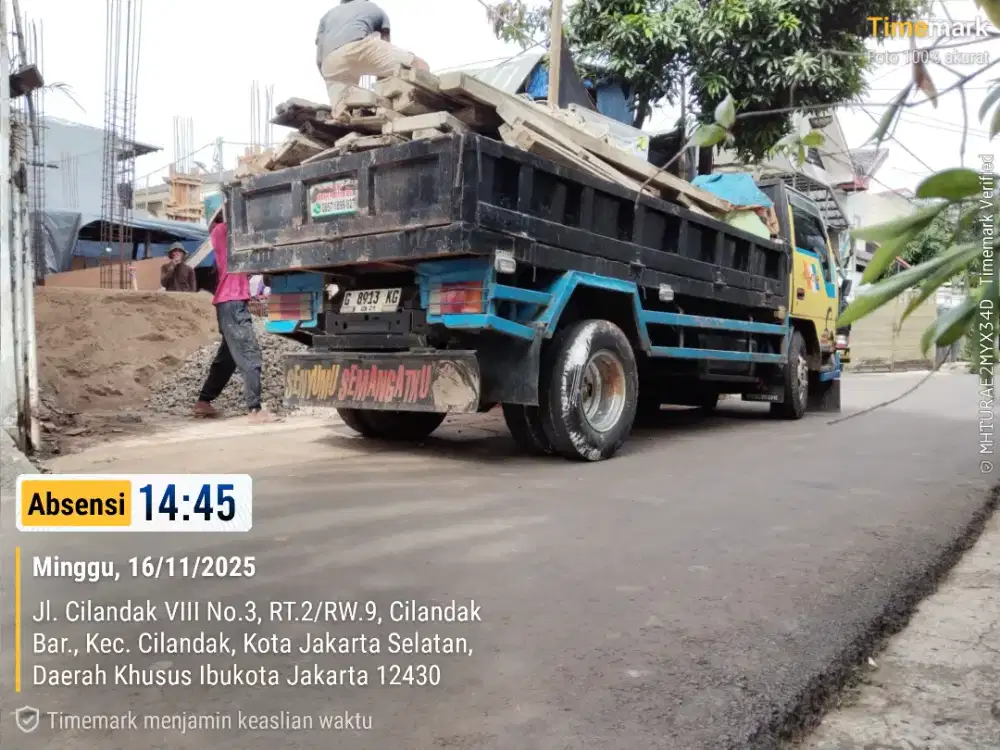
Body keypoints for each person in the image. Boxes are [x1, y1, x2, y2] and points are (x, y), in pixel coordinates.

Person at [193, 212, 276, 423]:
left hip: (228, 303)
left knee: (228, 356)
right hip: (231, 303)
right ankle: (255, 410)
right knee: (249, 353)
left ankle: (204, 401)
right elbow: (216, 221)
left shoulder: (240, 242)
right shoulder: (222, 232)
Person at [316, 0, 429, 109]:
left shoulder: (326, 17)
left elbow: (319, 58)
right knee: (419, 65)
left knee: (342, 109)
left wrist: (331, 79)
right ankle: (421, 105)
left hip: (329, 62)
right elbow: (385, 44)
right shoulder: (375, 9)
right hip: (358, 47)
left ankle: (342, 114)